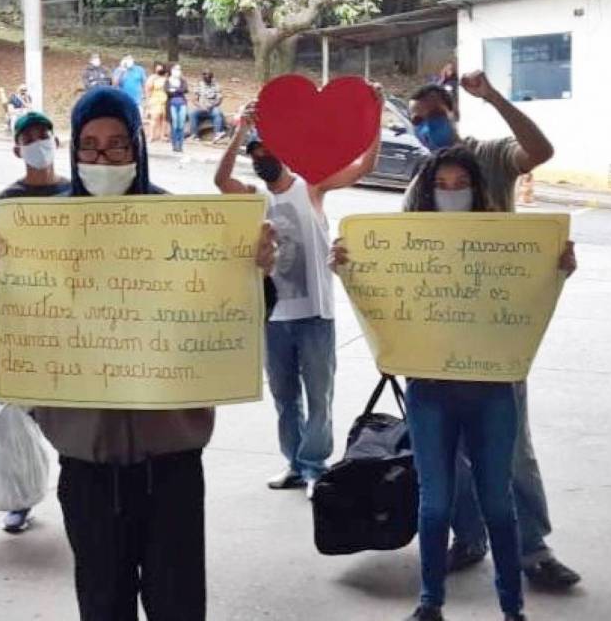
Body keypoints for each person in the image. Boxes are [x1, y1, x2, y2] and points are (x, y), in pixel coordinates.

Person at [0, 86, 276, 621]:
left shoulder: (184, 226)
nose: (102, 158)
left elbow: (238, 315)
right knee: (102, 602)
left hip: (173, 464)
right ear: (74, 152)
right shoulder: (39, 230)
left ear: (138, 145)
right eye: (89, 146)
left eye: (117, 145)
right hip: (87, 466)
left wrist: (253, 271)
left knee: (178, 602)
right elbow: (9, 328)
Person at [331, 147, 577, 621]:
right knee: (435, 502)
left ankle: (512, 608)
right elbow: (380, 292)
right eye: (440, 185)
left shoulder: (501, 242)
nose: (451, 193)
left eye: (458, 184)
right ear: (426, 191)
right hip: (430, 390)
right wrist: (346, 265)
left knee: (498, 502)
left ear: (477, 188)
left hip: (491, 391)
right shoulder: (410, 244)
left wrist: (557, 265)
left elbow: (529, 291)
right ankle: (430, 603)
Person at [406, 73, 581, 591]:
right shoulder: (420, 180)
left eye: (435, 117)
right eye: (417, 122)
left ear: (455, 113)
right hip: (439, 335)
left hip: (497, 331)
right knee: (449, 451)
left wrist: (494, 97)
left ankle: (534, 549)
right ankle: (471, 537)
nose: (427, 128)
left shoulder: (491, 155)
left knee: (510, 448)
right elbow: (399, 255)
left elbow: (540, 150)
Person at [216, 96, 380, 498]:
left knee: (319, 395)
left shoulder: (313, 187)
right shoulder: (255, 195)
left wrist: (372, 115)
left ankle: (315, 466)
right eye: (256, 154)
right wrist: (240, 130)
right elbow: (221, 181)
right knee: (284, 397)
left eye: (268, 150)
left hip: (315, 314)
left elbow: (364, 167)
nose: (262, 158)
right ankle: (294, 462)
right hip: (273, 318)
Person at [0, 111, 71, 534]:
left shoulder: (80, 195)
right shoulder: (7, 203)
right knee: (23, 419)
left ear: (55, 142)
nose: (37, 142)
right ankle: (21, 499)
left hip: (74, 328)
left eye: (44, 135)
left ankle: (79, 502)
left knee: (72, 421)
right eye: (28, 137)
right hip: (25, 326)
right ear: (16, 149)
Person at [189, 70, 226, 143]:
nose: (207, 80)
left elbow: (219, 100)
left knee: (217, 113)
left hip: (212, 108)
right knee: (192, 114)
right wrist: (201, 106)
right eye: (205, 78)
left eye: (209, 78)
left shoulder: (216, 85)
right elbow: (194, 99)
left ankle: (217, 134)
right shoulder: (199, 85)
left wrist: (212, 105)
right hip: (201, 108)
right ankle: (194, 135)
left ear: (212, 78)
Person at [165, 64, 190, 153]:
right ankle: (174, 144)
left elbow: (185, 89)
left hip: (182, 104)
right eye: (175, 69)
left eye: (179, 69)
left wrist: (174, 89)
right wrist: (177, 90)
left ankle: (180, 145)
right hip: (172, 104)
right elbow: (167, 91)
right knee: (174, 125)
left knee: (181, 125)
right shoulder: (168, 80)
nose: (177, 71)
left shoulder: (183, 80)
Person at [145, 62, 169, 143]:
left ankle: (162, 135)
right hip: (155, 99)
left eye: (161, 68)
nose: (159, 69)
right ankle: (151, 135)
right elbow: (148, 89)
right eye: (158, 68)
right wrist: (148, 101)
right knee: (154, 118)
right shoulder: (152, 77)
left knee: (164, 118)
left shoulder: (166, 78)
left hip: (165, 99)